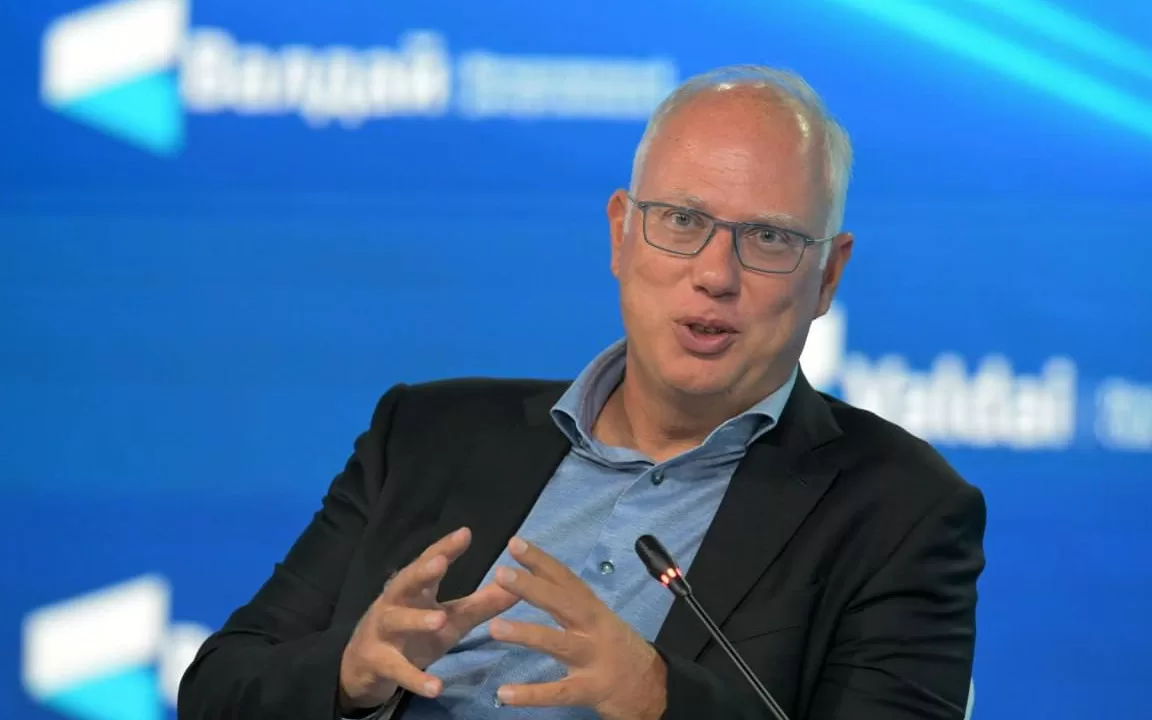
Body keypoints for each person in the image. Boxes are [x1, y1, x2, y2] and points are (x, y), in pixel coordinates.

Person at [177, 65, 986, 720]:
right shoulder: (423, 433)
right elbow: (217, 690)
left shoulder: (899, 510)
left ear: (828, 276)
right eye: (682, 221)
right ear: (621, 234)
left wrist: (661, 700)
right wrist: (350, 675)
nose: (715, 274)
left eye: (769, 238)